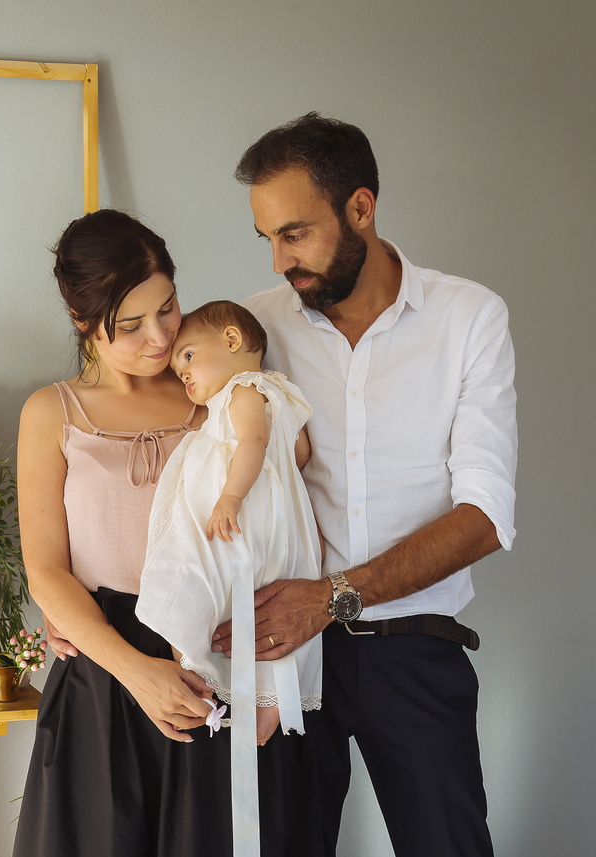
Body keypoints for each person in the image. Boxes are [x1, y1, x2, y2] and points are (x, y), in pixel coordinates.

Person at [218, 112, 517, 857]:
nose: (283, 259)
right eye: (269, 240)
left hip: (414, 648)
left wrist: (333, 595)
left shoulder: (468, 318)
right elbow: (172, 446)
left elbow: (484, 514)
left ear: (361, 207)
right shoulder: (251, 331)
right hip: (287, 652)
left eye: (296, 232)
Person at [12, 209, 320, 857]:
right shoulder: (51, 413)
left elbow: (286, 478)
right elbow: (46, 569)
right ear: (82, 322)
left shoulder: (215, 393)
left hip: (216, 654)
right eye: (130, 325)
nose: (158, 338)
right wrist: (135, 671)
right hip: (104, 674)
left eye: (168, 308)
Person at [137, 300, 322, 750]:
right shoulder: (278, 392)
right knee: (266, 617)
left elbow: (254, 440)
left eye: (188, 357)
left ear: (233, 341)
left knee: (197, 578)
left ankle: (192, 667)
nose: (182, 374)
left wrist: (232, 495)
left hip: (240, 516)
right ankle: (272, 702)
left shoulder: (242, 389)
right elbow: (299, 454)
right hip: (279, 528)